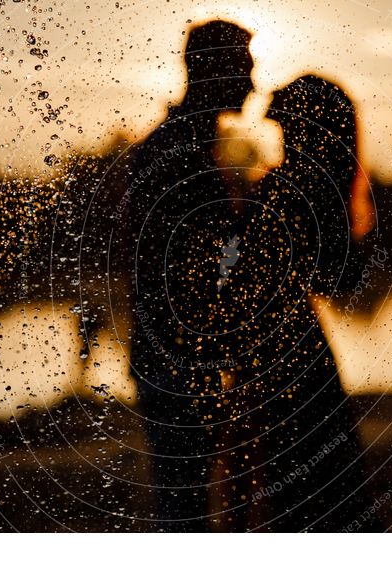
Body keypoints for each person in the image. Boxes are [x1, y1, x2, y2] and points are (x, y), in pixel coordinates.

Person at [213, 75, 381, 532]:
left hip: (271, 346)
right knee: (317, 475)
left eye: (286, 125)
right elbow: (342, 279)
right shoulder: (326, 190)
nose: (280, 135)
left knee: (278, 477)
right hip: (301, 344)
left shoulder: (285, 189)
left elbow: (242, 274)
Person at [125, 19, 255, 532]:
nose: (253, 82)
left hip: (183, 356)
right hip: (177, 361)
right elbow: (168, 272)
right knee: (186, 511)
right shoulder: (174, 154)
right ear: (213, 71)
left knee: (194, 504)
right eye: (244, 66)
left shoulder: (189, 147)